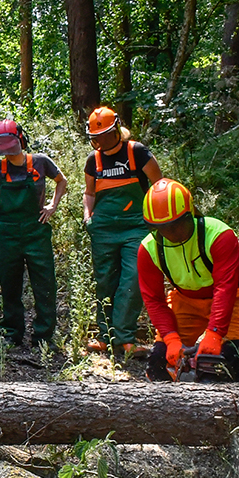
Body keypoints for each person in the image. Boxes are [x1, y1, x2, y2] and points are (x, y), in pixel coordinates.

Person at [137, 178, 239, 382]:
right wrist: (171, 338)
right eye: (163, 229)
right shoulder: (148, 250)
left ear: (190, 215)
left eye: (175, 226)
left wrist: (214, 334)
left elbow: (225, 288)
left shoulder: (219, 235)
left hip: (233, 297)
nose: (171, 234)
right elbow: (153, 300)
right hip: (185, 301)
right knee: (158, 362)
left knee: (236, 361)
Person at [0, 119, 67, 350]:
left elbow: (62, 181)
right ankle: (12, 333)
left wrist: (52, 204)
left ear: (20, 140)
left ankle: (44, 336)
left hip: (36, 231)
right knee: (10, 284)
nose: (6, 149)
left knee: (45, 283)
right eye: (1, 145)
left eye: (9, 143)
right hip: (6, 233)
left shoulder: (40, 162)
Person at [82, 106, 163, 360]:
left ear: (116, 130)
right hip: (104, 229)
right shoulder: (92, 160)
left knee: (133, 279)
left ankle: (126, 337)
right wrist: (88, 216)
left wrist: (158, 219)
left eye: (105, 135)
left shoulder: (136, 152)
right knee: (104, 280)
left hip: (136, 226)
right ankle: (104, 336)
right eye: (96, 137)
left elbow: (158, 185)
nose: (100, 141)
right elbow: (89, 193)